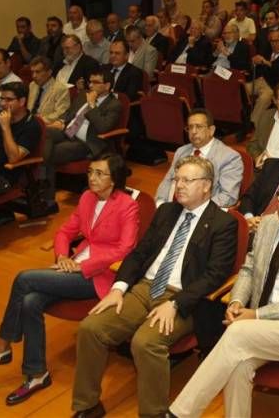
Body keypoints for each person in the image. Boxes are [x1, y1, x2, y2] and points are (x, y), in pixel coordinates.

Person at [71, 156, 238, 418]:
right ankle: (87, 405)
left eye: (187, 180)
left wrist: (175, 304)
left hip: (184, 299)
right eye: (177, 179)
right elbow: (139, 254)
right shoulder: (167, 212)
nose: (179, 185)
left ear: (206, 186)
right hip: (145, 287)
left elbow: (214, 276)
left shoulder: (223, 223)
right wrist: (119, 288)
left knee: (145, 342)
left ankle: (154, 414)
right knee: (90, 328)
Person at [170, 172, 279, 418]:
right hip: (257, 326)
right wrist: (238, 301)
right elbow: (249, 269)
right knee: (240, 366)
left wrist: (256, 314)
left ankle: (180, 413)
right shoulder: (269, 224)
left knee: (237, 332)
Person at [0, 154, 138, 405]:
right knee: (31, 301)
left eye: (99, 173)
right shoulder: (87, 198)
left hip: (98, 275)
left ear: (114, 179)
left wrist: (81, 265)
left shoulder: (127, 205)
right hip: (73, 266)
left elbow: (125, 249)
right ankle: (36, 374)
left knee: (24, 279)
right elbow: (66, 231)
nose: (92, 178)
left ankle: (1, 345)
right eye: (90, 172)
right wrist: (63, 256)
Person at [42, 69, 122, 211]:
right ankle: (42, 165)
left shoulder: (114, 105)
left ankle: (48, 200)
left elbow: (103, 127)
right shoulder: (82, 95)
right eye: (90, 81)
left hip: (85, 143)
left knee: (50, 154)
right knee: (45, 132)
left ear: (107, 85)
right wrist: (61, 122)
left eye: (96, 82)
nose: (91, 85)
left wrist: (92, 105)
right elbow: (70, 114)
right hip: (67, 132)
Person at [155, 109, 243, 208]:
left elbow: (228, 196)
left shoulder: (229, 157)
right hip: (171, 209)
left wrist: (198, 210)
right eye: (190, 127)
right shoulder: (181, 151)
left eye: (199, 127)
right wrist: (160, 204)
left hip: (201, 213)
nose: (194, 131)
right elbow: (168, 181)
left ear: (211, 130)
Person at [0, 82, 42, 225]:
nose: (3, 103)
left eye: (8, 100)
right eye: (1, 99)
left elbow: (13, 158)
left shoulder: (31, 126)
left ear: (22, 101)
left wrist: (6, 128)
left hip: (0, 178)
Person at [246, 29, 279, 125]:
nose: (273, 44)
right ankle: (240, 118)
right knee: (240, 90)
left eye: (276, 41)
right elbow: (255, 68)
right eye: (271, 41)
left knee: (264, 98)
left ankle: (252, 123)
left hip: (273, 85)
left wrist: (266, 62)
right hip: (259, 80)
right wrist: (254, 62)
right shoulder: (267, 51)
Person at [27, 56, 70, 125]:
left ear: (49, 72)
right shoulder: (32, 85)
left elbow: (60, 113)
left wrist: (38, 121)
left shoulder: (61, 89)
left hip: (45, 125)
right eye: (32, 72)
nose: (34, 76)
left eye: (38, 72)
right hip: (29, 122)